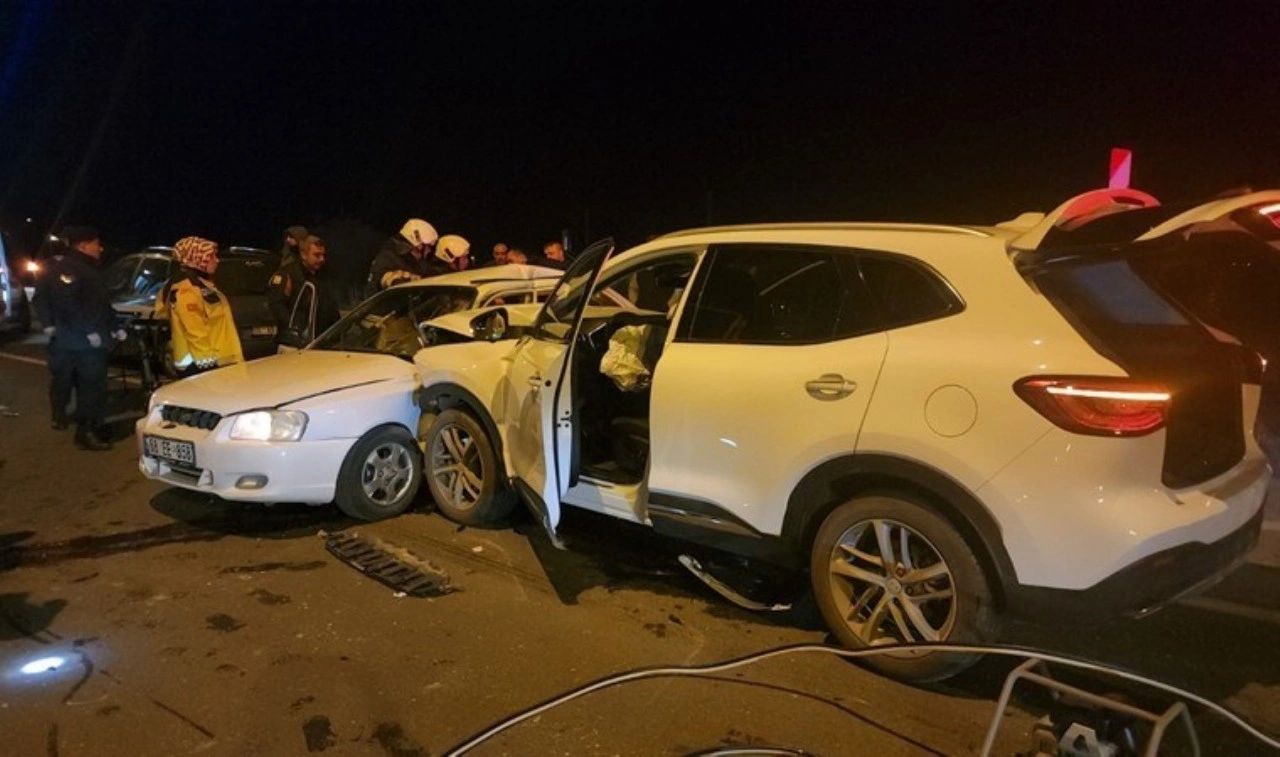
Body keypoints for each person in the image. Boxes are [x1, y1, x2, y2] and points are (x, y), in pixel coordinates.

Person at [33, 225, 124, 450]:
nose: (100, 248)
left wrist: (115, 327)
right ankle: (83, 431)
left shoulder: (90, 268)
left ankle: (93, 426)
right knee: (73, 382)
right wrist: (87, 331)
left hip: (90, 340)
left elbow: (101, 304)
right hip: (76, 341)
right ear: (83, 245)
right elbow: (68, 304)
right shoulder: (68, 268)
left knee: (94, 386)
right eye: (96, 244)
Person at [158, 236, 244, 376]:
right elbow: (194, 328)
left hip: (217, 362)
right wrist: (206, 362)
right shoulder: (186, 289)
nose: (217, 260)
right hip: (203, 366)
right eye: (211, 256)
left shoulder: (202, 284)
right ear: (195, 259)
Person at [267, 234, 340, 344]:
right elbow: (277, 306)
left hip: (320, 340)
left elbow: (330, 306)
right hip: (294, 341)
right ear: (304, 255)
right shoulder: (288, 275)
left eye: (323, 255)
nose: (322, 259)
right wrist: (294, 329)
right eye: (316, 255)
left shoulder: (323, 275)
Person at [367, 218, 445, 294]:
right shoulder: (388, 257)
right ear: (419, 246)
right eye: (428, 246)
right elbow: (382, 276)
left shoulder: (420, 262)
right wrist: (394, 279)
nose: (429, 250)